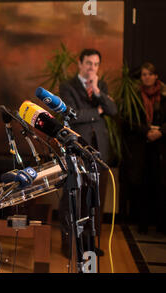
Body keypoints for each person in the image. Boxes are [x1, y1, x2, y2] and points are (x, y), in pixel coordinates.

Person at [58, 49, 118, 258]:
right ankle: (69, 245)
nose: (92, 67)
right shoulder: (67, 86)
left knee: (96, 199)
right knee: (73, 198)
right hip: (77, 151)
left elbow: (113, 110)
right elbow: (72, 116)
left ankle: (90, 243)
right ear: (80, 63)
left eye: (96, 64)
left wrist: (98, 93)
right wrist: (97, 112)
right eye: (89, 63)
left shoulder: (101, 86)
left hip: (98, 153)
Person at [120, 62, 166, 234]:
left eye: (149, 74)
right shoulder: (134, 96)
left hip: (161, 147)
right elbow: (126, 120)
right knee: (142, 186)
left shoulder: (164, 94)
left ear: (156, 77)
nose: (146, 77)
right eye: (144, 74)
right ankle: (142, 224)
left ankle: (161, 226)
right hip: (140, 146)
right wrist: (147, 130)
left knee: (161, 186)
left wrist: (160, 131)